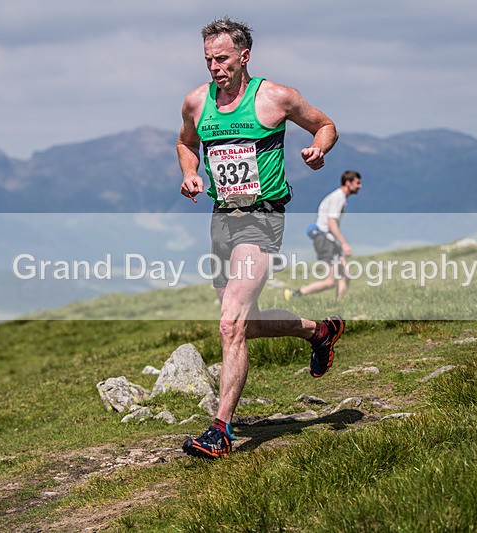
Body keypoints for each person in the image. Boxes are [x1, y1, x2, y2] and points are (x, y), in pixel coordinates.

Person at [177, 17, 344, 459]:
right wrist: (190, 173)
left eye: (223, 59)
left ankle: (220, 430)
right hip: (221, 218)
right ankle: (319, 331)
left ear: (244, 56)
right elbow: (185, 144)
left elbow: (325, 124)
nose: (215, 67)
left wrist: (319, 149)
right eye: (209, 60)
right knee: (243, 324)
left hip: (262, 217)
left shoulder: (275, 97)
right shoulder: (197, 102)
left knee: (229, 325)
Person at [285, 170, 362, 301]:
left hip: (329, 239)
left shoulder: (340, 197)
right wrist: (344, 243)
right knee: (331, 281)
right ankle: (294, 295)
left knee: (346, 275)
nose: (360, 186)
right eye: (357, 183)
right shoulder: (338, 197)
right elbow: (331, 222)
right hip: (325, 240)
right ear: (348, 183)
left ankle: (340, 304)